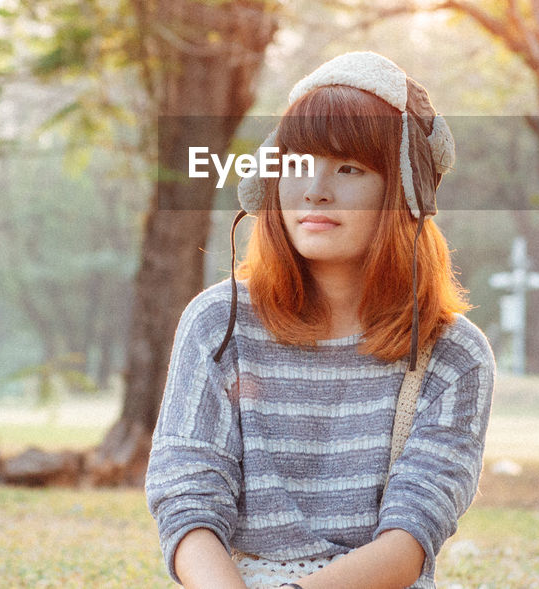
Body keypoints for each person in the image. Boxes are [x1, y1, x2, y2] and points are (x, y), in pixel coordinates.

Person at [146, 51, 496, 589]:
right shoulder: (218, 324)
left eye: (349, 168)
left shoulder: (452, 355)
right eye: (297, 164)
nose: (314, 189)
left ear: (403, 191)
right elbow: (188, 499)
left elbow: (408, 541)